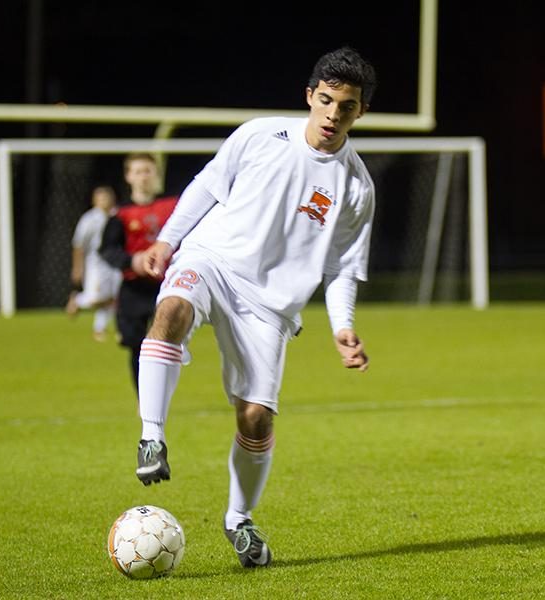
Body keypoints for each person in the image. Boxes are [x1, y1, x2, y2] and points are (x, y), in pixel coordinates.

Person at [129, 46, 377, 569]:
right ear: (310, 96)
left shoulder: (356, 187)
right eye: (326, 101)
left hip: (269, 306)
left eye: (346, 107)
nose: (333, 115)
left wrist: (344, 328)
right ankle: (152, 437)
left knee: (257, 418)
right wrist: (169, 242)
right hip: (213, 260)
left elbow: (340, 270)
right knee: (172, 309)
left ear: (361, 112)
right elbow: (206, 188)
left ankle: (238, 518)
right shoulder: (261, 134)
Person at [99, 153, 178, 389]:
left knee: (169, 343)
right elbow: (108, 250)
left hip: (169, 284)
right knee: (137, 345)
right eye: (138, 171)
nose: (144, 177)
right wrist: (132, 261)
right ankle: (143, 396)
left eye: (148, 171)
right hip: (135, 287)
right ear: (128, 176)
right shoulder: (120, 215)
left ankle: (162, 392)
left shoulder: (173, 205)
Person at [66, 185, 123, 341]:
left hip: (116, 261)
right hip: (96, 262)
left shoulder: (117, 215)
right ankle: (78, 300)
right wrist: (78, 267)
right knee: (96, 298)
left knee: (114, 297)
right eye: (101, 198)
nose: (105, 201)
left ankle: (101, 329)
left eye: (107, 197)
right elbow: (78, 244)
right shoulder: (89, 219)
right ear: (94, 200)